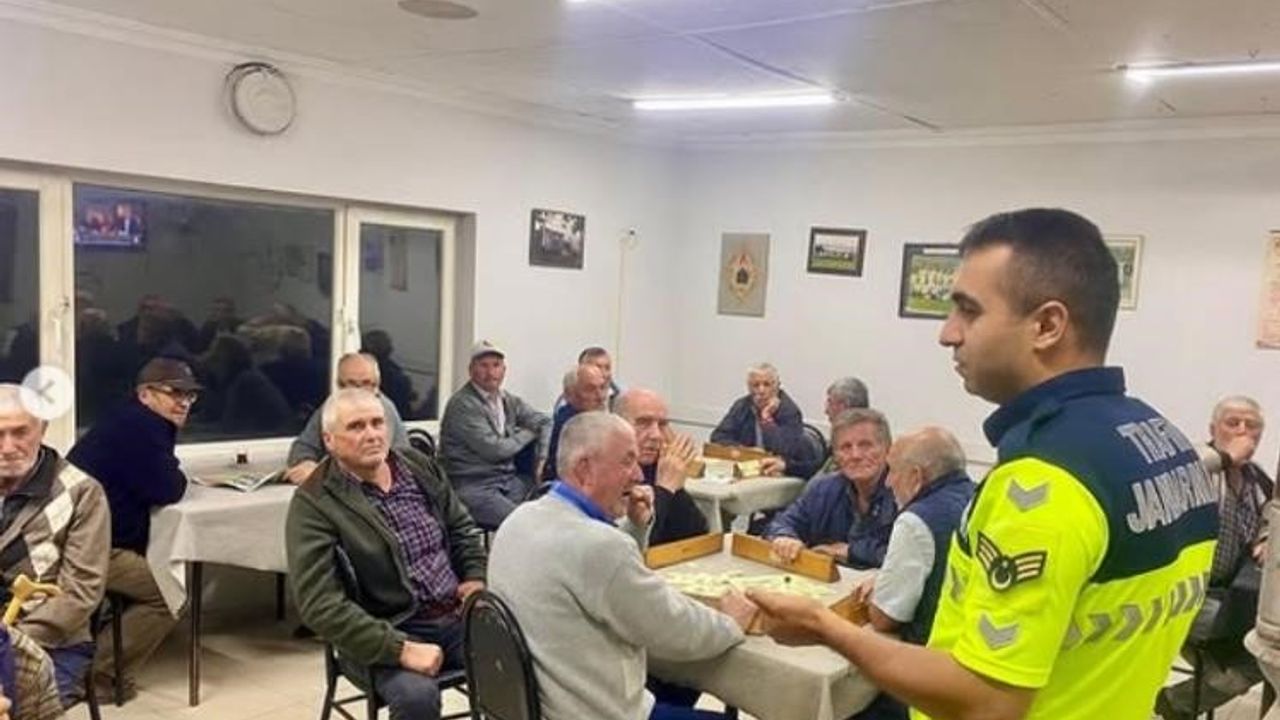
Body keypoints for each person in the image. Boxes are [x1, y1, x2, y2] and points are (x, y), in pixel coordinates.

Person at [748, 208, 1218, 720]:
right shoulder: (1164, 440)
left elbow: (987, 701)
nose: (948, 334)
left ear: (1047, 325)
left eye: (968, 312)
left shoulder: (1043, 482)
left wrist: (824, 627)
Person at [489, 411, 756, 720]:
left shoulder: (520, 518)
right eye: (627, 461)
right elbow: (673, 629)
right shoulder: (598, 546)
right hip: (595, 711)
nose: (639, 475)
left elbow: (601, 579)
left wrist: (635, 527)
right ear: (585, 469)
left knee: (678, 684)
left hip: (533, 704)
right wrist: (730, 622)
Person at [287, 388, 486, 720]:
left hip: (453, 613)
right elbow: (319, 604)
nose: (371, 434)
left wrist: (475, 576)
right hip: (384, 630)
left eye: (377, 423)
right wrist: (399, 649)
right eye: (356, 426)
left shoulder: (418, 467)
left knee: (520, 662)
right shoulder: (314, 503)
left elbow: (461, 527)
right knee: (416, 698)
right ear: (329, 440)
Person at [67, 357, 199, 699]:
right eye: (174, 393)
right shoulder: (142, 428)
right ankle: (101, 677)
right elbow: (167, 488)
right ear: (145, 395)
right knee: (170, 595)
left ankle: (90, 665)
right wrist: (175, 474)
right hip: (83, 546)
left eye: (190, 395)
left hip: (78, 534)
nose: (184, 402)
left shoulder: (128, 420)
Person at [1157, 395, 1272, 719]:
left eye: (1252, 425)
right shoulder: (1196, 465)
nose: (1242, 430)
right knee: (1266, 647)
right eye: (1232, 423)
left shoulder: (1255, 478)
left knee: (1268, 649)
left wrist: (1266, 537)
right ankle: (1181, 702)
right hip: (1187, 597)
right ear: (1213, 429)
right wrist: (1225, 457)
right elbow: (1170, 474)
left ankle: (1178, 702)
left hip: (1232, 595)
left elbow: (1270, 512)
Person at [847, 427, 974, 720]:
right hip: (972, 666)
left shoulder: (916, 520)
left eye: (892, 470)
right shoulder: (977, 499)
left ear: (916, 476)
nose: (888, 481)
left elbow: (885, 617)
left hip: (927, 677)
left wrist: (881, 589)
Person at [0, 385, 110, 709]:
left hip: (50, 641)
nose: (8, 447)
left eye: (20, 432)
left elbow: (80, 593)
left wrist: (11, 642)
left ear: (43, 428)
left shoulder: (82, 493)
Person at [438, 340, 551, 528]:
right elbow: (496, 450)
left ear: (504, 370)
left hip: (506, 482)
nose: (491, 373)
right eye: (483, 366)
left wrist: (542, 458)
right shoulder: (462, 404)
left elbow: (546, 421)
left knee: (550, 503)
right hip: (472, 487)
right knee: (525, 525)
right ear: (471, 370)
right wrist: (529, 432)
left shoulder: (508, 400)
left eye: (496, 365)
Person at [766, 409, 897, 569]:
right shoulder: (823, 489)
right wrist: (784, 537)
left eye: (865, 445)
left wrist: (851, 551)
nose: (855, 455)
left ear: (888, 450)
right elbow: (783, 522)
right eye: (845, 447)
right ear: (835, 455)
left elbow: (908, 556)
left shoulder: (904, 493)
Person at [284, 352, 411, 485]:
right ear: (340, 386)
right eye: (352, 384)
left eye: (367, 383)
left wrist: (320, 475)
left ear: (377, 386)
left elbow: (368, 469)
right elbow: (303, 447)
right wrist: (306, 463)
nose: (359, 391)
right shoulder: (335, 407)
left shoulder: (382, 410)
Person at [614, 388, 709, 546]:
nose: (656, 435)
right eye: (643, 423)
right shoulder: (606, 469)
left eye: (662, 425)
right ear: (616, 425)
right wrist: (665, 488)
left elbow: (696, 535)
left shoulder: (656, 465)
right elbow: (632, 543)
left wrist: (676, 488)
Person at [710, 363, 822, 479]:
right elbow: (718, 436)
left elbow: (784, 450)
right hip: (749, 467)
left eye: (767, 384)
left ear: (777, 386)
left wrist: (766, 419)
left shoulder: (789, 411)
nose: (761, 390)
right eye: (756, 385)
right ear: (749, 388)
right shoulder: (742, 406)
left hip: (781, 472)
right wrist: (745, 450)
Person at [543, 363, 609, 481]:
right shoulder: (571, 425)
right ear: (570, 395)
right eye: (590, 389)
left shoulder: (599, 418)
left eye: (602, 388)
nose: (600, 396)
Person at [815, 377, 871, 476]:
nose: (826, 411)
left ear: (843, 406)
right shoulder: (874, 435)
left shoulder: (847, 446)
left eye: (830, 402)